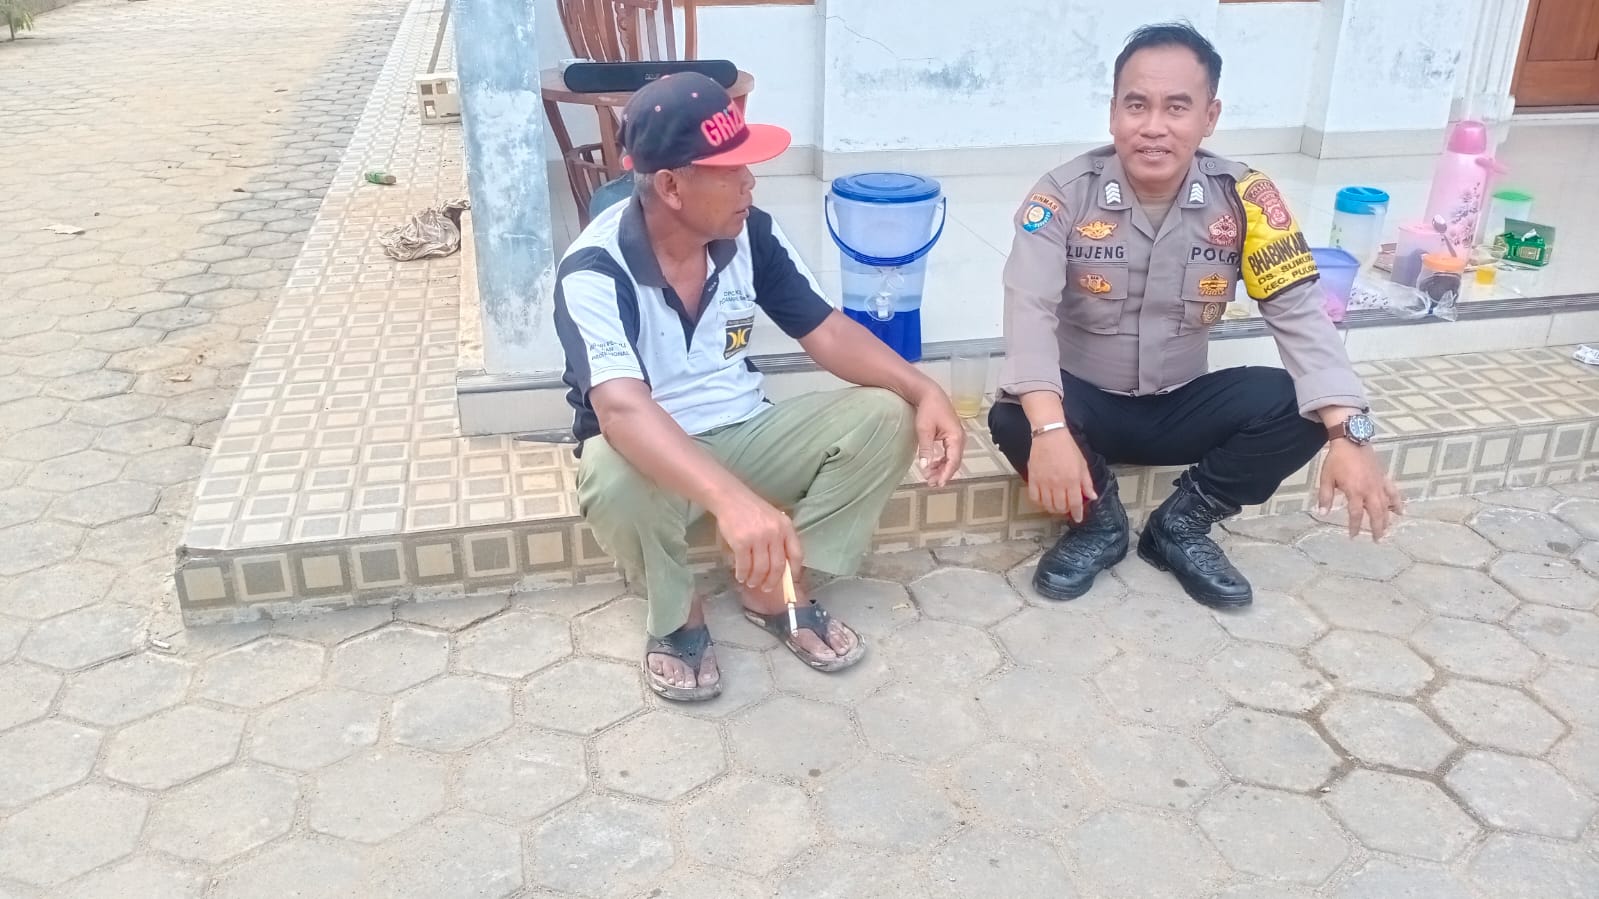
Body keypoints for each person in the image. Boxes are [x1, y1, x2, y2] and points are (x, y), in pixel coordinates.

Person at [555, 73, 964, 701]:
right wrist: (734, 503)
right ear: (671, 187)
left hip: (747, 431)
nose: (750, 182)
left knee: (888, 413)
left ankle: (774, 584)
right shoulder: (594, 269)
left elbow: (827, 330)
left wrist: (925, 389)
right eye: (731, 170)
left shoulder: (750, 233)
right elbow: (621, 411)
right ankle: (677, 612)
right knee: (610, 474)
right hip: (649, 455)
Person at [989, 22, 1402, 609]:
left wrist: (1349, 434)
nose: (1153, 125)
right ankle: (1097, 525)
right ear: (1113, 113)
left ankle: (1181, 523)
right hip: (1085, 405)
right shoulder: (1062, 196)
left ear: (1210, 117)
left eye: (1176, 107)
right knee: (1014, 415)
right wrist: (1050, 429)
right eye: (1137, 105)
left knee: (1301, 404)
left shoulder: (1246, 198)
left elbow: (1299, 313)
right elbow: (1027, 309)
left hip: (1181, 405)